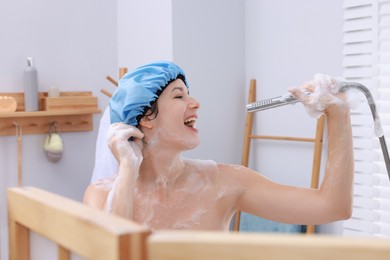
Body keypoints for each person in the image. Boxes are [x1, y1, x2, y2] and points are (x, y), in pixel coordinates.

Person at [83, 61, 353, 231]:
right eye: (179, 96)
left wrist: (338, 114)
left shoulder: (224, 182)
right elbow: (112, 251)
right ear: (144, 119)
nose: (195, 103)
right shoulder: (100, 194)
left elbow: (332, 206)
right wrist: (128, 168)